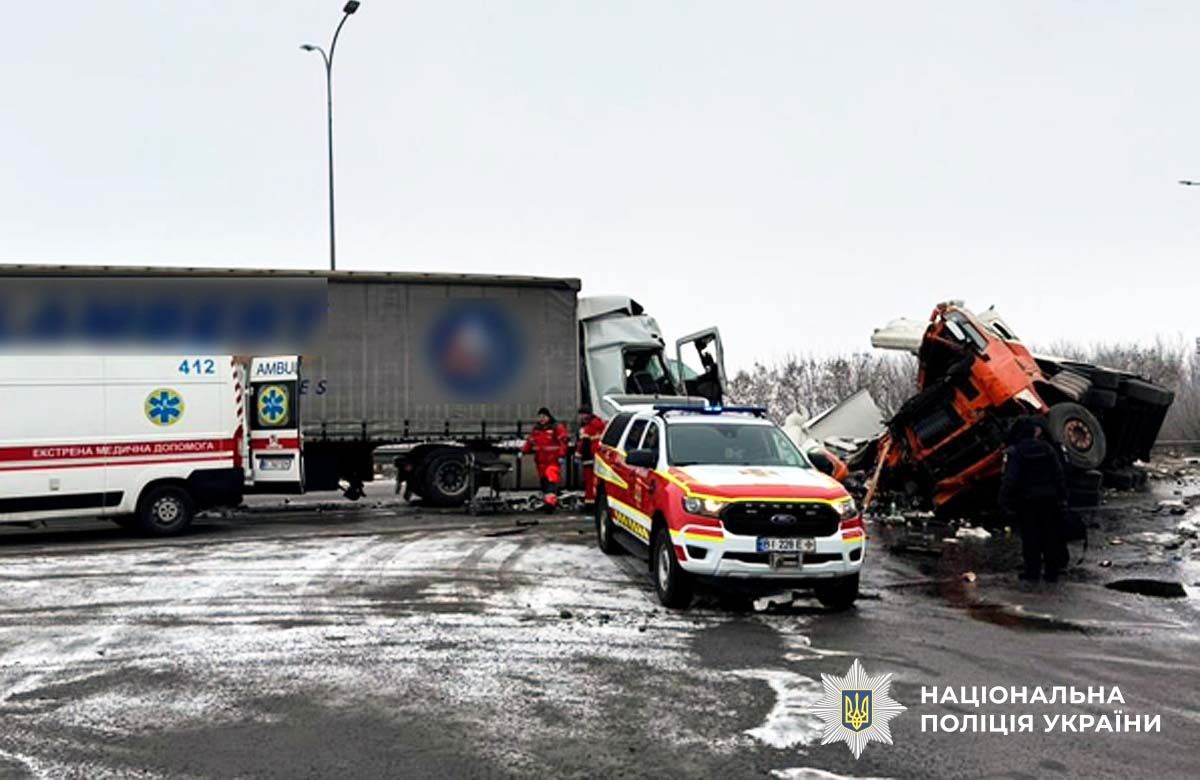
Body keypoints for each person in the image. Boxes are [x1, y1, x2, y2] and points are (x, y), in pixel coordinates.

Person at [999, 416, 1069, 582]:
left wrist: (1003, 500)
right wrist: (1063, 497)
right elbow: (1058, 474)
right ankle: (1052, 572)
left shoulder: (1016, 452)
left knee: (1030, 537)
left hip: (1027, 501)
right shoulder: (1047, 448)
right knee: (1050, 535)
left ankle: (1032, 571)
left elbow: (1010, 479)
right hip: (1049, 499)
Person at [523, 407, 569, 511]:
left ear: (548, 417)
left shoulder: (556, 427)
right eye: (540, 417)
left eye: (544, 416)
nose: (542, 419)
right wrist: (523, 451)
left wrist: (561, 455)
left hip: (553, 460)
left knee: (551, 478)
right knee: (544, 481)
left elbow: (563, 441)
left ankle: (550, 503)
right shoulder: (536, 429)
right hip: (540, 461)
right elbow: (530, 441)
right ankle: (548, 501)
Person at [576, 405, 607, 505]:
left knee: (589, 480)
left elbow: (583, 442)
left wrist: (578, 454)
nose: (581, 417)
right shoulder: (599, 424)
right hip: (597, 455)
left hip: (590, 456)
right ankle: (594, 501)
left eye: (582, 414)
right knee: (594, 480)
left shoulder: (589, 427)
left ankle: (590, 502)